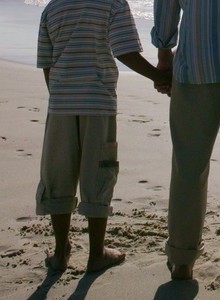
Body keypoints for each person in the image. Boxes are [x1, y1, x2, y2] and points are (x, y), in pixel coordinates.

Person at [36, 0, 171, 272]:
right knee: (98, 173)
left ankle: (61, 251)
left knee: (58, 175)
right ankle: (96, 253)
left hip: (60, 103)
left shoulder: (52, 8)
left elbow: (47, 62)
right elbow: (125, 51)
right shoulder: (112, 4)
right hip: (97, 102)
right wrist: (158, 76)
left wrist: (61, 95)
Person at [151, 0, 220, 280]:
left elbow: (167, 10)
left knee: (189, 168)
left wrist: (165, 58)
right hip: (195, 68)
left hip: (196, 66)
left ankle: (182, 260)